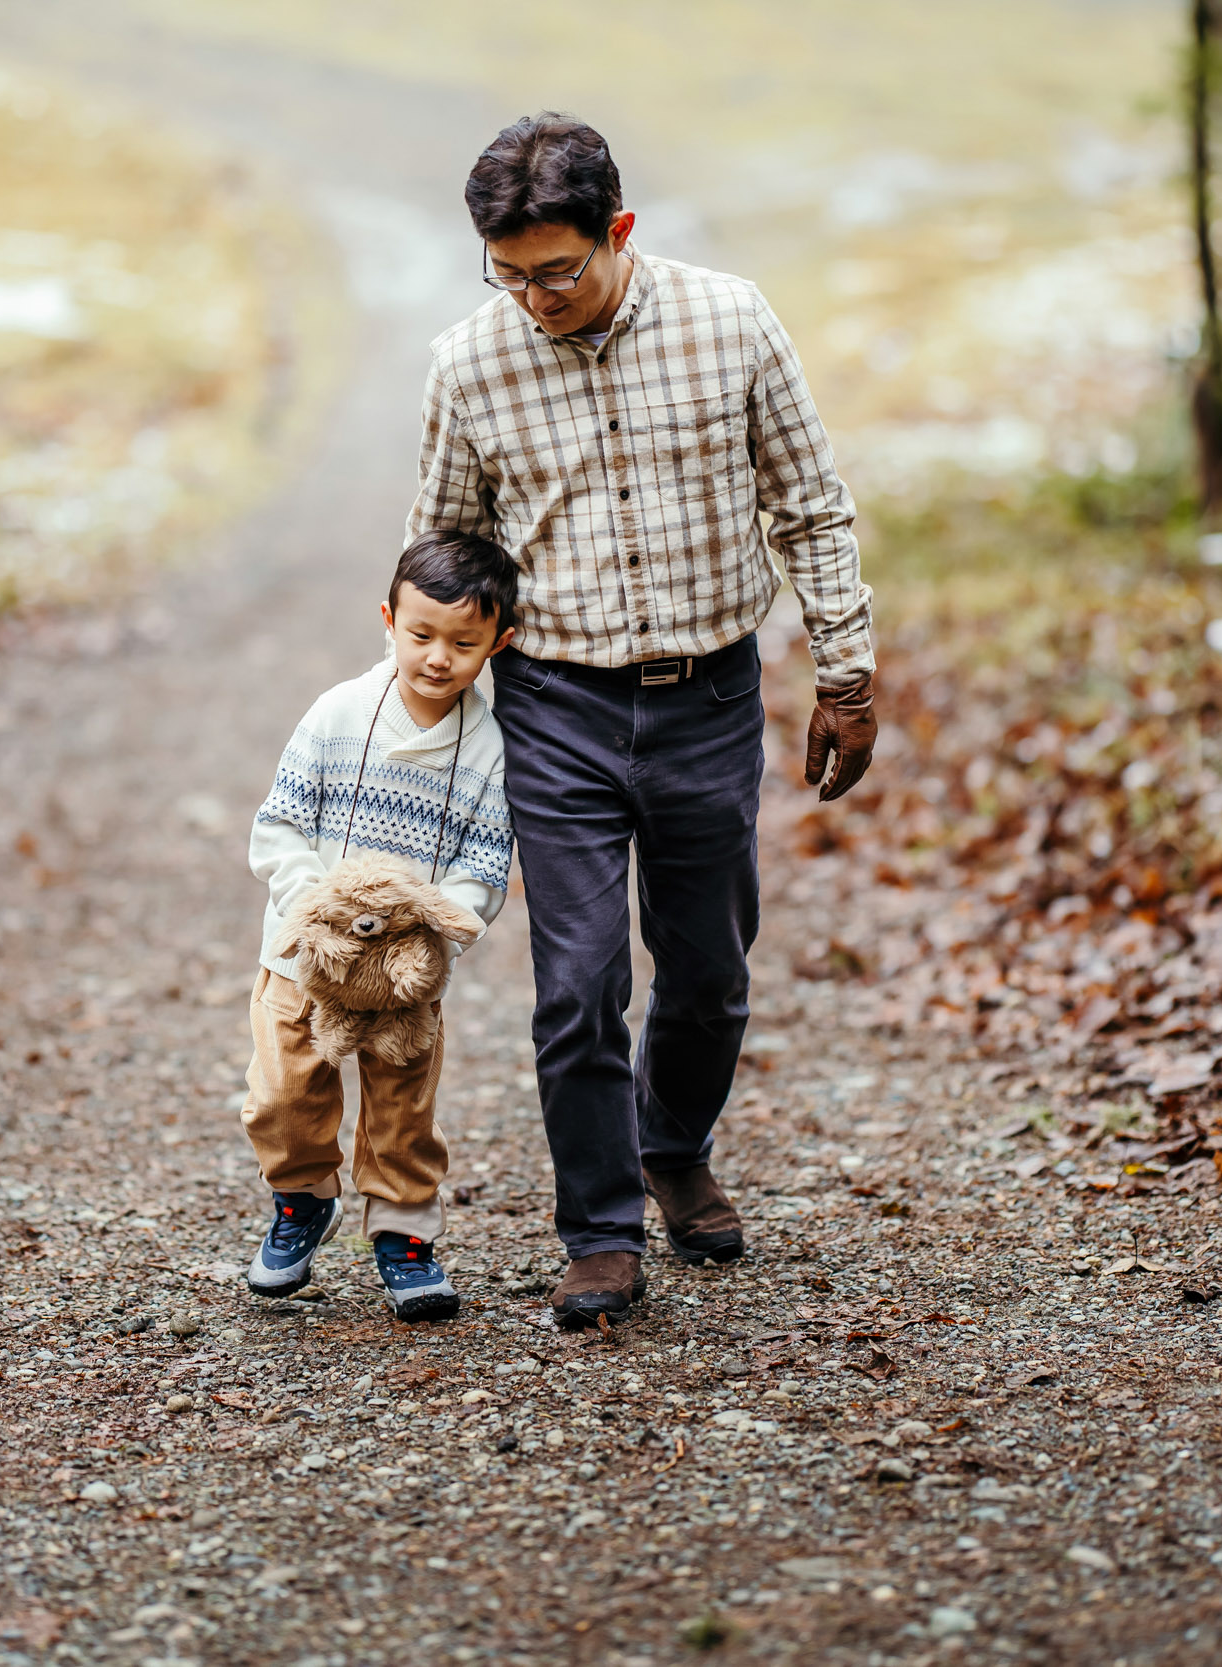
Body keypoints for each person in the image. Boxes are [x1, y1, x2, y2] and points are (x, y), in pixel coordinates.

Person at [406, 113, 878, 1330]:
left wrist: (846, 673)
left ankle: (674, 1143)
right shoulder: (469, 362)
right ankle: (601, 1230)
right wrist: (419, 709)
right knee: (575, 983)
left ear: (617, 230)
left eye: (556, 271)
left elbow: (811, 508)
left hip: (708, 696)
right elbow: (450, 548)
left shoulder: (731, 320)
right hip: (556, 704)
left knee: (710, 968)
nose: (533, 299)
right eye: (507, 276)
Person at [239, 531, 517, 1322]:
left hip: (404, 979)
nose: (438, 657)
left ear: (499, 642)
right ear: (389, 619)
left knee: (403, 1108)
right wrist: (315, 901)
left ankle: (403, 1232)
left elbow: (485, 867)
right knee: (283, 1094)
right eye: (421, 634)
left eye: (464, 643)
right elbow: (279, 824)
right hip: (305, 959)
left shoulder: (489, 750)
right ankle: (301, 1197)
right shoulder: (337, 714)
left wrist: (435, 933)